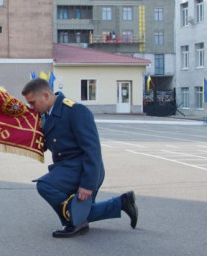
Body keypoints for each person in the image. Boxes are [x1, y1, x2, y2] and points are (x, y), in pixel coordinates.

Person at [21, 78, 138, 238]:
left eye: (33, 103)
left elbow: (93, 150)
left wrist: (87, 184)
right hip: (67, 169)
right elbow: (44, 144)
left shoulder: (76, 111)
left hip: (83, 169)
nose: (31, 108)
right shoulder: (46, 115)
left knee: (45, 186)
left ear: (46, 96)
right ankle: (121, 203)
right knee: (80, 211)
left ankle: (76, 223)